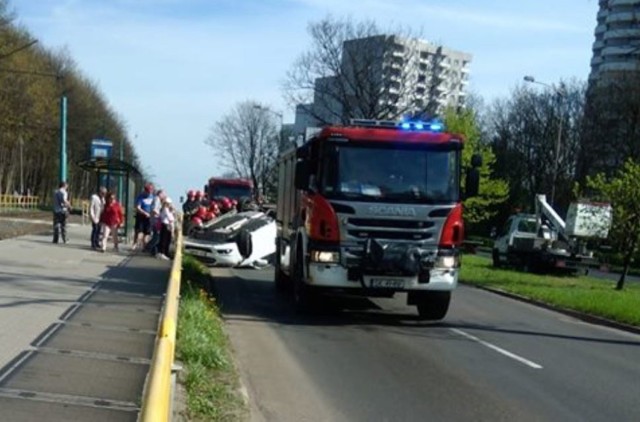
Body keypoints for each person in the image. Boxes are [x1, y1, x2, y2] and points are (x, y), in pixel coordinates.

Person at [133, 183, 155, 251]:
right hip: (141, 216)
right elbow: (138, 207)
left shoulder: (153, 197)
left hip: (149, 217)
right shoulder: (140, 197)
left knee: (147, 233)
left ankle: (144, 246)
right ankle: (135, 243)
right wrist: (144, 213)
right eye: (148, 191)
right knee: (139, 231)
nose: (148, 193)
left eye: (150, 191)